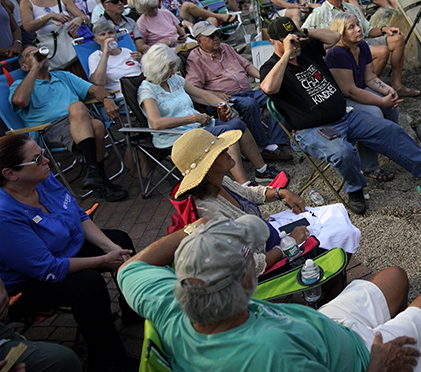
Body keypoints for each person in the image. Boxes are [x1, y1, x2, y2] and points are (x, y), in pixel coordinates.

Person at [119, 213, 421, 372]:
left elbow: (128, 269)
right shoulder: (271, 355)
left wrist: (194, 239)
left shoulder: (171, 302)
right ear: (244, 283)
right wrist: (376, 365)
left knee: (394, 277)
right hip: (358, 360)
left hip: (323, 330)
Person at [260, 17, 421, 214]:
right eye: (289, 41)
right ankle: (355, 189)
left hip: (345, 117)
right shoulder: (271, 68)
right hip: (311, 130)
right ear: (273, 42)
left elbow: (333, 37)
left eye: (296, 38)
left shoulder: (306, 49)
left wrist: (304, 31)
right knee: (343, 152)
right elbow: (268, 87)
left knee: (389, 129)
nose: (295, 44)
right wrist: (286, 55)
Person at [0, 135, 140, 372]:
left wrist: (110, 249)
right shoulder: (5, 215)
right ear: (11, 174)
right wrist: (104, 260)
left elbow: (79, 215)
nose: (47, 161)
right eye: (37, 159)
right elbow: (48, 269)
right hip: (26, 283)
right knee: (87, 284)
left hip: (63, 250)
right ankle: (107, 360)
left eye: (43, 153)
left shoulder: (40, 180)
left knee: (120, 240)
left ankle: (135, 311)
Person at [170, 129, 359, 263]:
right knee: (344, 232)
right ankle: (328, 291)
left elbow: (249, 192)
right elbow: (248, 266)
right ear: (208, 167)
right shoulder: (209, 213)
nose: (227, 150)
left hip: (269, 235)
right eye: (220, 151)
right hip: (270, 253)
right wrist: (290, 242)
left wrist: (282, 192)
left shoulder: (218, 182)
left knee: (336, 214)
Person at [138, 44, 280, 184]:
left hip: (196, 127)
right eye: (169, 68)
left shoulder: (173, 79)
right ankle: (244, 184)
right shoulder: (147, 90)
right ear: (158, 69)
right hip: (175, 137)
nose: (172, 71)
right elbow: (156, 123)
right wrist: (193, 118)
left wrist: (222, 104)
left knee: (238, 124)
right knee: (229, 131)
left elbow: (201, 95)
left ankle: (262, 170)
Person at [12, 42, 127, 200]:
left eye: (39, 52)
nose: (38, 55)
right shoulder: (19, 85)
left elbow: (94, 89)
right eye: (31, 55)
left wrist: (107, 99)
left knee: (96, 124)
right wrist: (34, 68)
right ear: (25, 66)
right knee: (80, 109)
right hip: (49, 129)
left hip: (79, 122)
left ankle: (97, 178)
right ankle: (100, 177)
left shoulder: (63, 76)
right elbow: (20, 101)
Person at [185, 21, 290, 161]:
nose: (216, 38)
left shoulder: (226, 48)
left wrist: (267, 80)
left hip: (246, 91)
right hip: (226, 98)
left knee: (277, 93)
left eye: (217, 34)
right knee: (249, 103)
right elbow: (194, 89)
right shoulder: (195, 59)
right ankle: (261, 146)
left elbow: (247, 66)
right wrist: (215, 95)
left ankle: (276, 142)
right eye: (211, 36)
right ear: (199, 41)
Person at [304, 0, 417, 96]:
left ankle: (397, 85)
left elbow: (367, 30)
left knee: (397, 38)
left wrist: (384, 29)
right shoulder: (319, 13)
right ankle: (365, 89)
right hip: (342, 52)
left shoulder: (350, 7)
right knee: (381, 51)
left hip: (360, 44)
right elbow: (303, 33)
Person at [326, 13, 401, 182]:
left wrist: (389, 91)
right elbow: (350, 91)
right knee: (373, 113)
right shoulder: (337, 53)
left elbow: (370, 78)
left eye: (357, 24)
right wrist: (381, 100)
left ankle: (389, 147)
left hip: (359, 89)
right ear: (341, 32)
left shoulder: (362, 46)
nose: (359, 29)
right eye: (351, 27)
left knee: (393, 108)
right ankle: (369, 167)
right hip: (342, 100)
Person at [87, 19, 142, 98]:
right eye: (103, 34)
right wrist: (106, 53)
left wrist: (141, 61)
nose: (108, 36)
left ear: (116, 36)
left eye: (110, 33)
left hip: (144, 90)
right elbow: (98, 82)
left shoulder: (127, 51)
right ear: (97, 40)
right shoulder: (95, 57)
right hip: (125, 97)